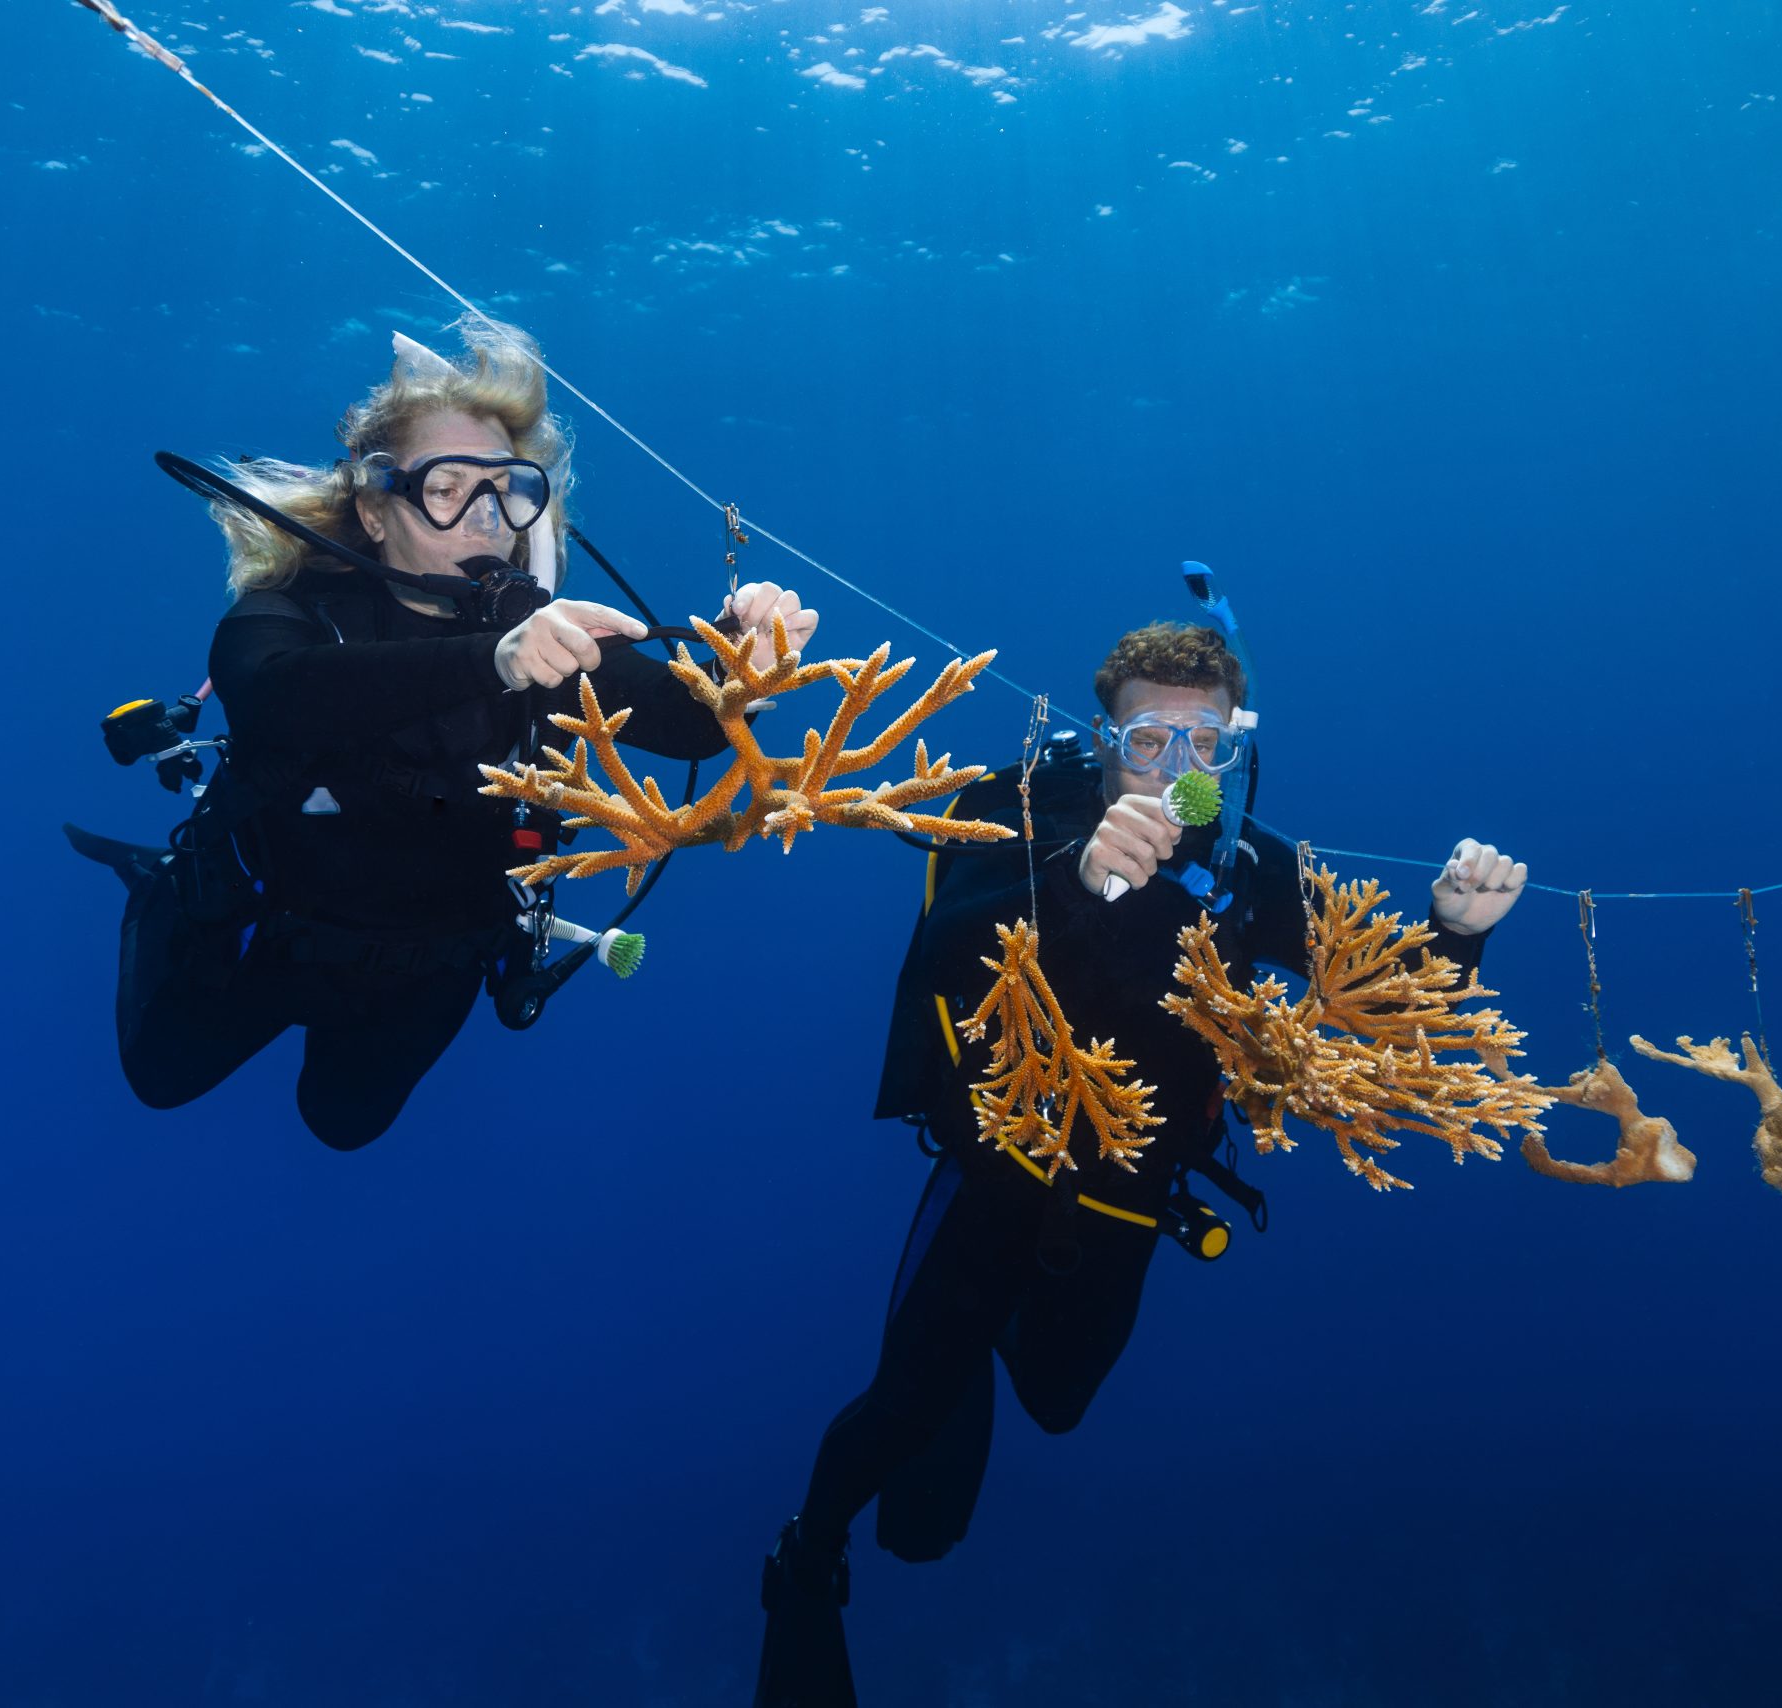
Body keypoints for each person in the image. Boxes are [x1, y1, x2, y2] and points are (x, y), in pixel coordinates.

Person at [752, 619, 1526, 1706]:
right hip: (1001, 1162)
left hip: (1131, 1190)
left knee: (1061, 1402)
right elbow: (940, 946)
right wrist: (1073, 873)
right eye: (1151, 740)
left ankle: (984, 1356)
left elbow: (1391, 1005)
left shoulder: (1249, 862)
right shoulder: (1017, 812)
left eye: (1205, 744)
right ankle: (804, 1561)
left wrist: (1456, 934)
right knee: (909, 1398)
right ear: (1103, 736)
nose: (1177, 769)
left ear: (1235, 749)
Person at [75, 317, 817, 1149]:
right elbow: (274, 695)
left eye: (509, 489)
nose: (486, 517)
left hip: (438, 954)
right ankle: (155, 890)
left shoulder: (544, 629)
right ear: (374, 508)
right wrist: (493, 661)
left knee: (342, 1124)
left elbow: (687, 728)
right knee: (161, 1082)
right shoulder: (295, 610)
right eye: (446, 487)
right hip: (267, 923)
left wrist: (741, 660)